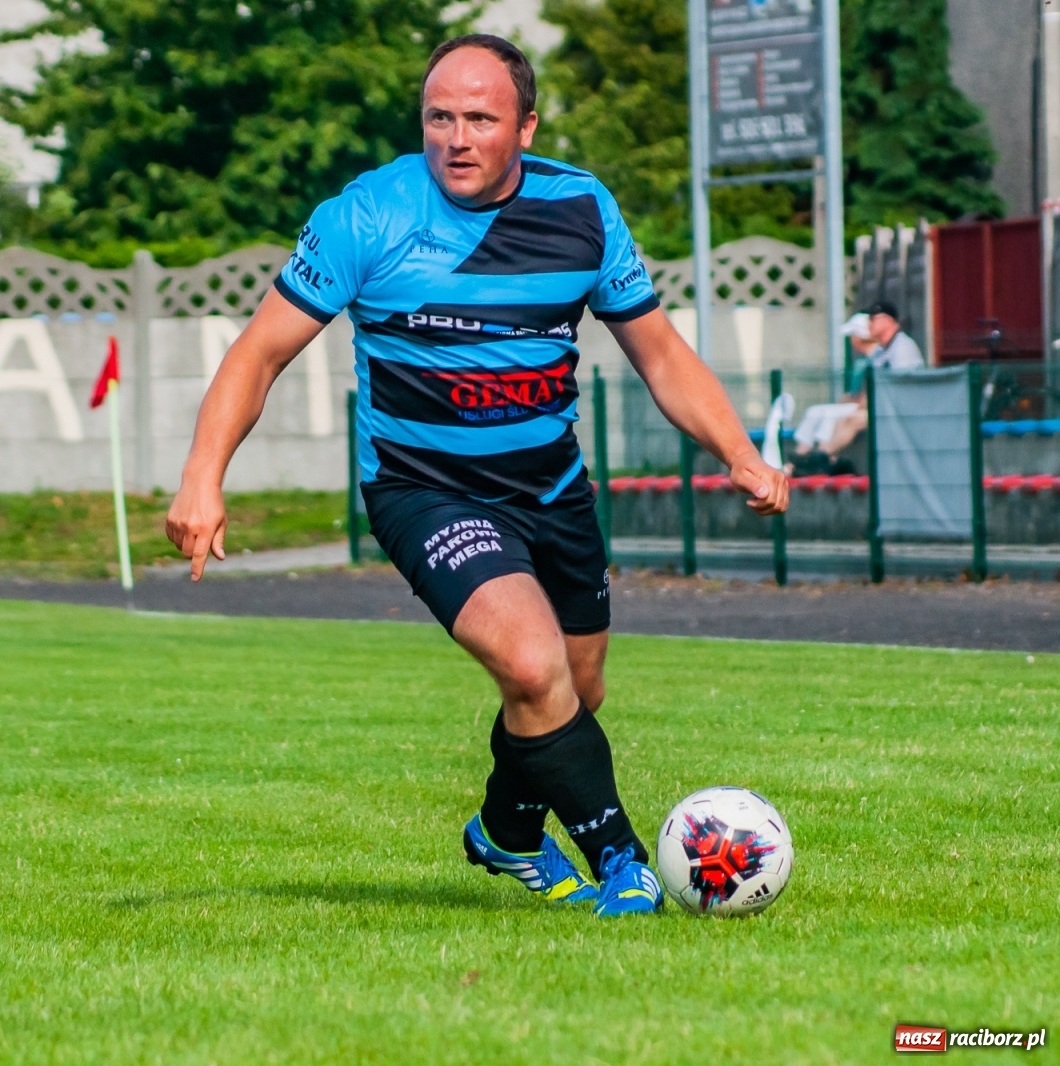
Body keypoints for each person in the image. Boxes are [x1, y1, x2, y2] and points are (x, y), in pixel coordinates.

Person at [166, 34, 788, 919]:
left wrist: (739, 453)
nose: (456, 138)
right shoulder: (366, 215)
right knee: (534, 669)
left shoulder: (583, 210)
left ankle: (505, 832)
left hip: (549, 487)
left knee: (578, 686)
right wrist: (203, 474)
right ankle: (624, 860)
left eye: (481, 119)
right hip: (424, 489)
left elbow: (661, 353)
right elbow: (257, 355)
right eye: (439, 117)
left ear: (525, 127)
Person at [788, 313, 878, 469]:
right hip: (857, 404)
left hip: (863, 407)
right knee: (815, 411)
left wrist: (853, 400)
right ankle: (798, 458)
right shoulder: (862, 360)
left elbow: (866, 396)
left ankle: (822, 459)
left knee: (830, 415)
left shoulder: (875, 358)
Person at [865, 300, 924, 370]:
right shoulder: (879, 350)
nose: (869, 324)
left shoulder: (903, 348)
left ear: (888, 320)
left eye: (872, 319)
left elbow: (902, 380)